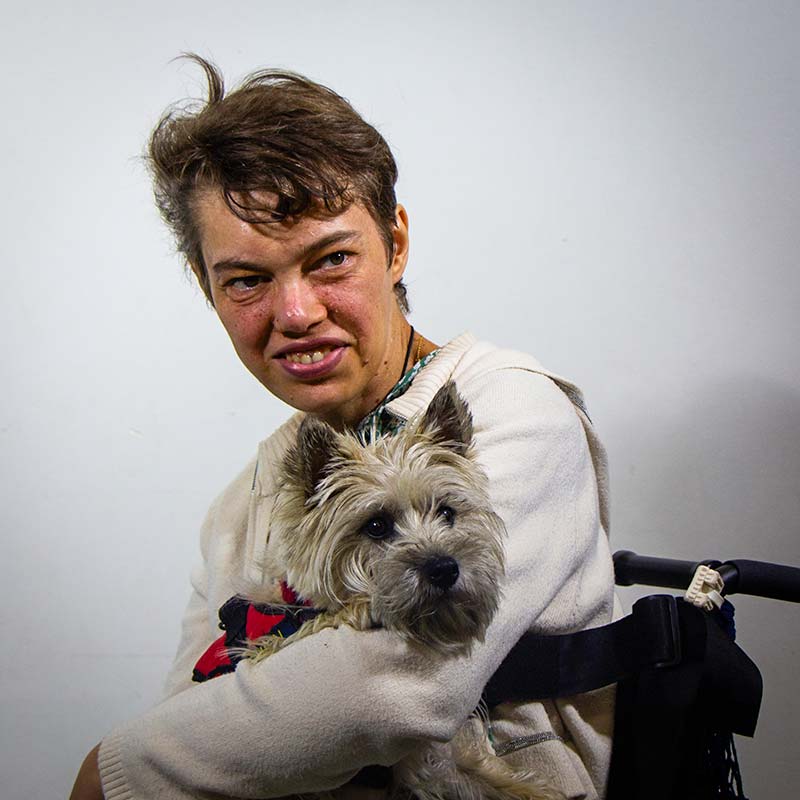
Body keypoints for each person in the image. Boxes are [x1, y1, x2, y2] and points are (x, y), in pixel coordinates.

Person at [70, 55, 616, 800]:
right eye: (247, 280)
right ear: (208, 288)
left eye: (330, 259)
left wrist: (115, 774)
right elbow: (191, 718)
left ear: (395, 243)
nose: (295, 314)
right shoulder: (244, 503)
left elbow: (397, 686)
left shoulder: (513, 411)